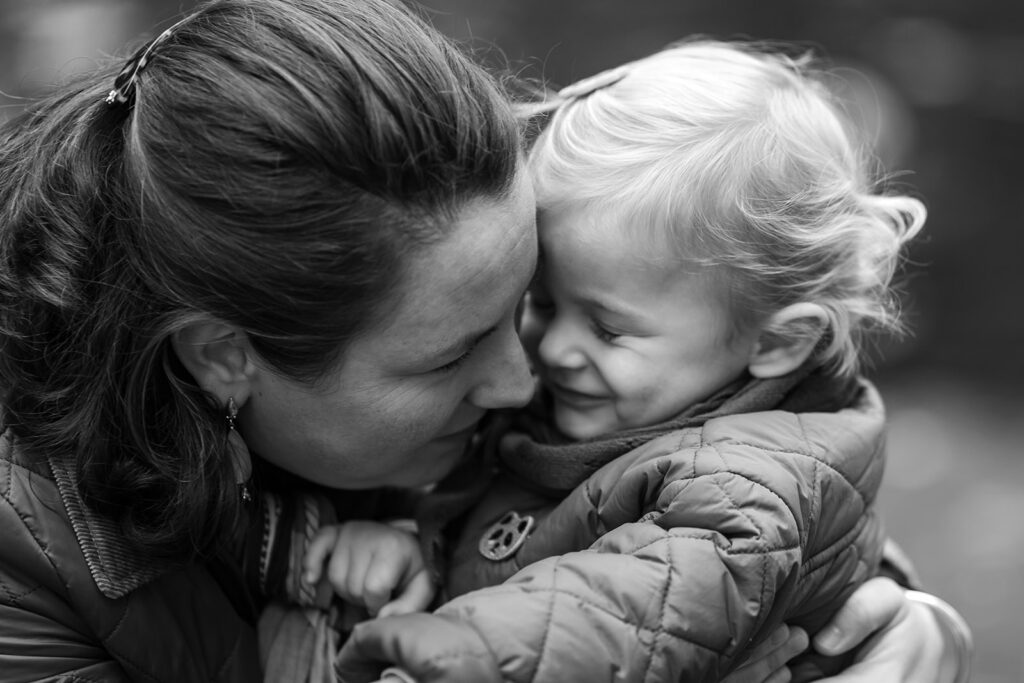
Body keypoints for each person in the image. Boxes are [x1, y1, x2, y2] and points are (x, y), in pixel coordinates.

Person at [0, 0, 966, 680]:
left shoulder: (429, 208)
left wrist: (901, 617)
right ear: (223, 356)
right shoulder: (29, 577)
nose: (524, 373)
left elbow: (739, 531)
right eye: (452, 352)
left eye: (522, 301)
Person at [328, 41, 971, 683]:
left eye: (607, 329)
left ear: (777, 344)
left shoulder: (746, 484)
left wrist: (444, 658)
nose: (549, 351)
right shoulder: (613, 408)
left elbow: (621, 613)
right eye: (544, 302)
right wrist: (413, 539)